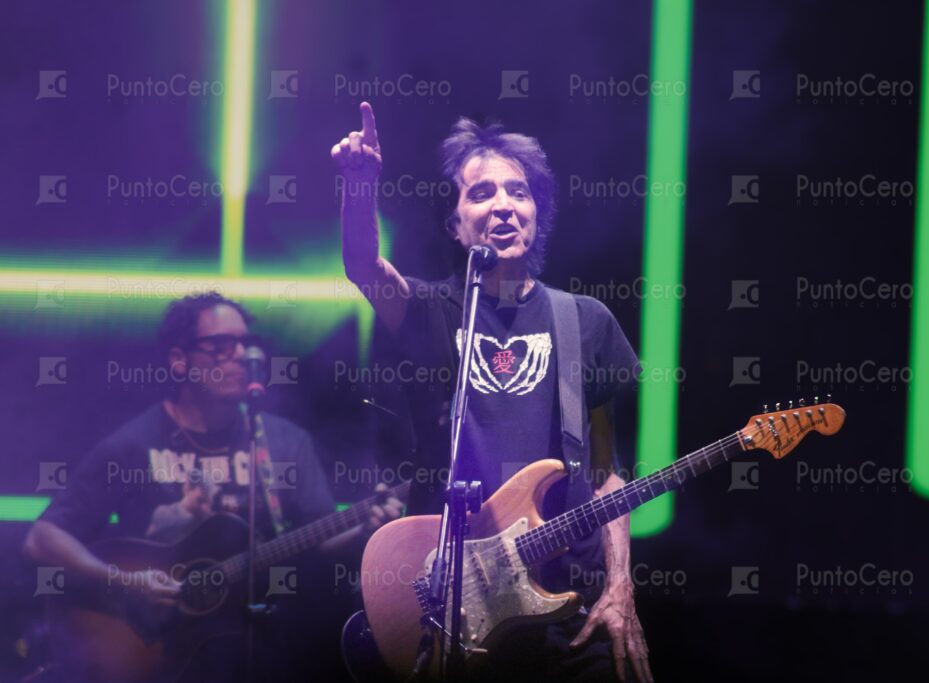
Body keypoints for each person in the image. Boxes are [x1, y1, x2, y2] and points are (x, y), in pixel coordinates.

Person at [332, 102, 653, 683]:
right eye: (481, 193)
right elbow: (364, 266)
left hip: (567, 602)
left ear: (536, 214)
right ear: (455, 224)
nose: (503, 205)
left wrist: (619, 588)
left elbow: (607, 471)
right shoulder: (430, 310)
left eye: (518, 192)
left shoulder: (585, 321)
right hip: (459, 602)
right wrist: (359, 185)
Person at [22, 291, 402, 682]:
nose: (240, 356)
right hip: (155, 654)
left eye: (245, 344)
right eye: (221, 346)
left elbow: (320, 538)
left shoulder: (284, 443)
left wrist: (366, 528)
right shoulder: (134, 445)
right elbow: (42, 539)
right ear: (179, 360)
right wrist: (126, 583)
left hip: (254, 652)